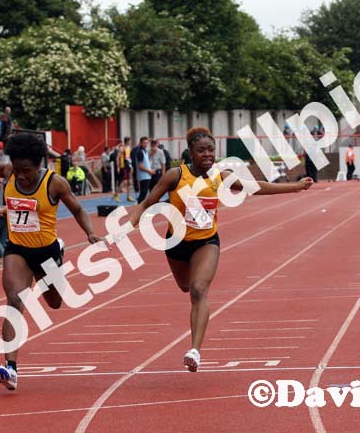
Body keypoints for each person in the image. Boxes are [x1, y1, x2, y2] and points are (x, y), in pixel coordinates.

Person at [128, 127, 313, 372]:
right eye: (201, 150)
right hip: (175, 244)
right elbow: (148, 202)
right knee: (185, 286)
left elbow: (256, 186)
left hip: (206, 242)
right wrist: (125, 228)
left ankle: (194, 350)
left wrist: (296, 186)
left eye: (211, 150)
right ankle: (194, 329)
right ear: (190, 154)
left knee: (198, 290)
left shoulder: (219, 177)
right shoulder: (175, 175)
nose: (207, 154)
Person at [0, 133, 103, 390]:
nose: (21, 175)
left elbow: (78, 209)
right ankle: (10, 367)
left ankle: (61, 251)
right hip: (18, 250)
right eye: (17, 169)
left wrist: (90, 232)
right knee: (14, 299)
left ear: (38, 165)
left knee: (55, 303)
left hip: (47, 252)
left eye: (27, 170)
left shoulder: (54, 183)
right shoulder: (11, 171)